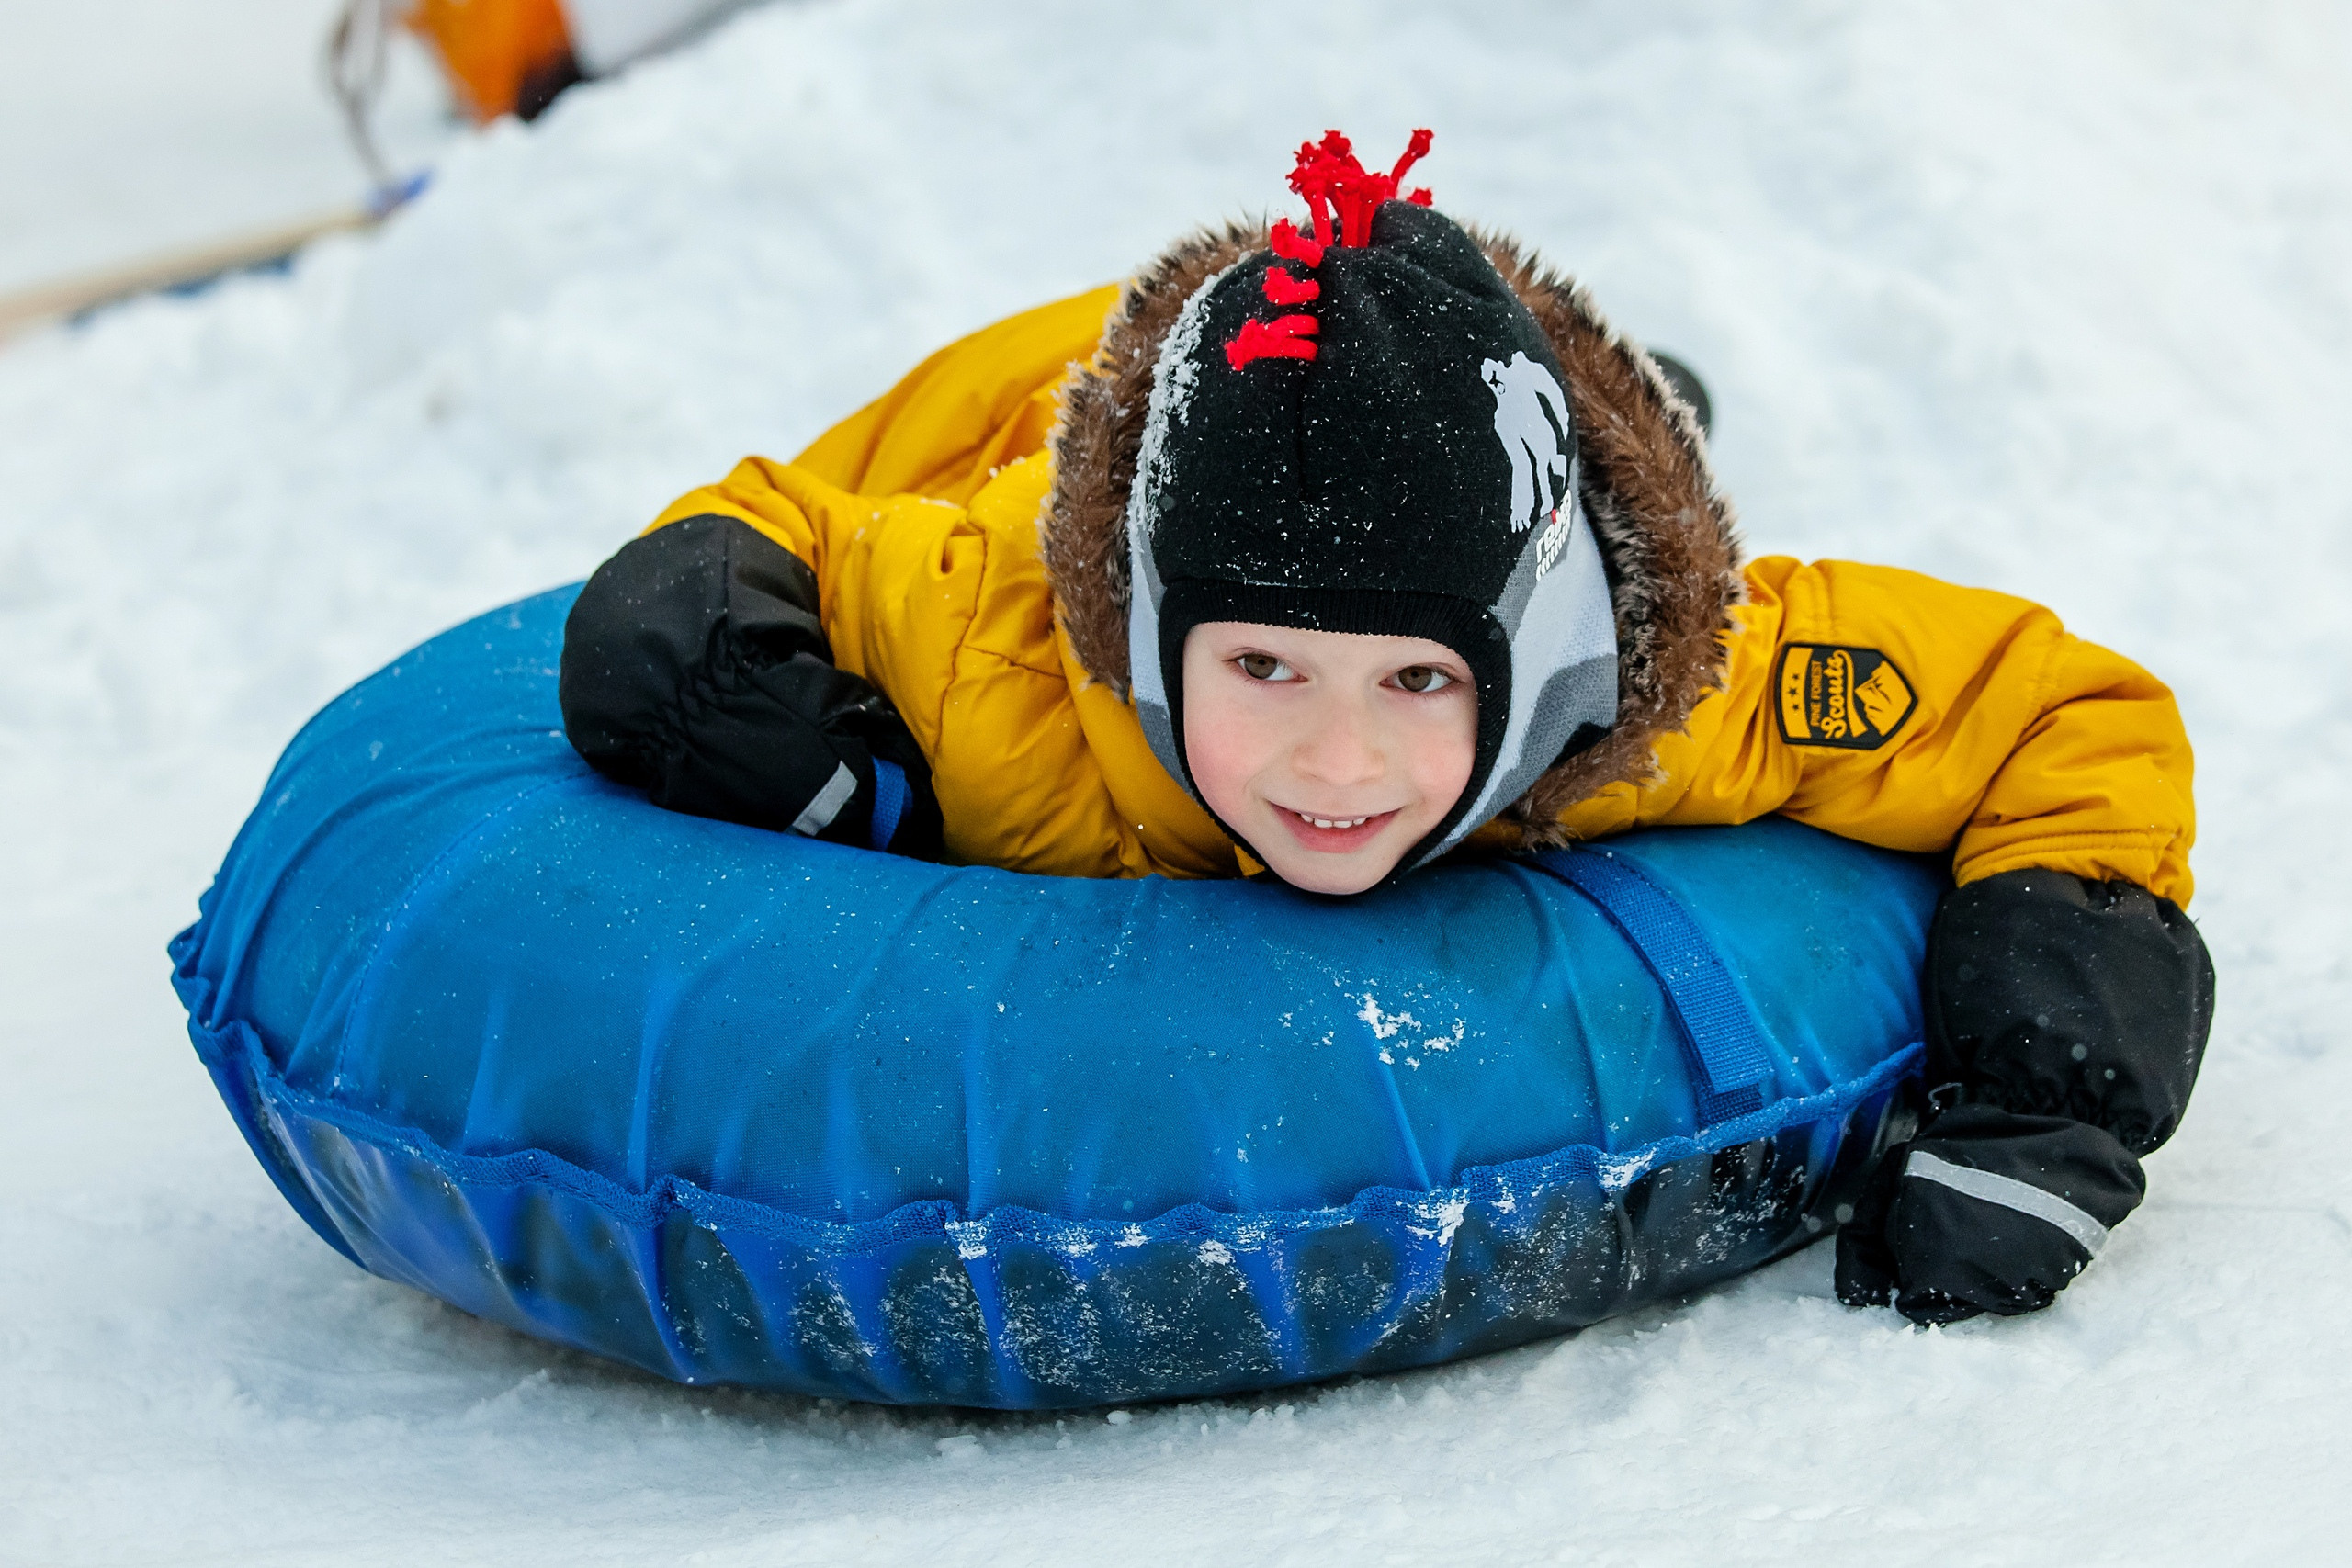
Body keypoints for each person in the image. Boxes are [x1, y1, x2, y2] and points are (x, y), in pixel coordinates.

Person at [558, 130, 2213, 1326]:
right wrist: (770, 727)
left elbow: (2055, 711)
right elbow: (770, 532)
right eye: (1262, 672)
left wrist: (2049, 1091)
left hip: (1464, 443)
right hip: (1052, 399)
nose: (1336, 767)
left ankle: (1626, 399)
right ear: (1148, 646)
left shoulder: (1653, 704)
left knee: (1594, 439)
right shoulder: (993, 642)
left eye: (1418, 684)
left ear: (1537, 667)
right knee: (983, 402)